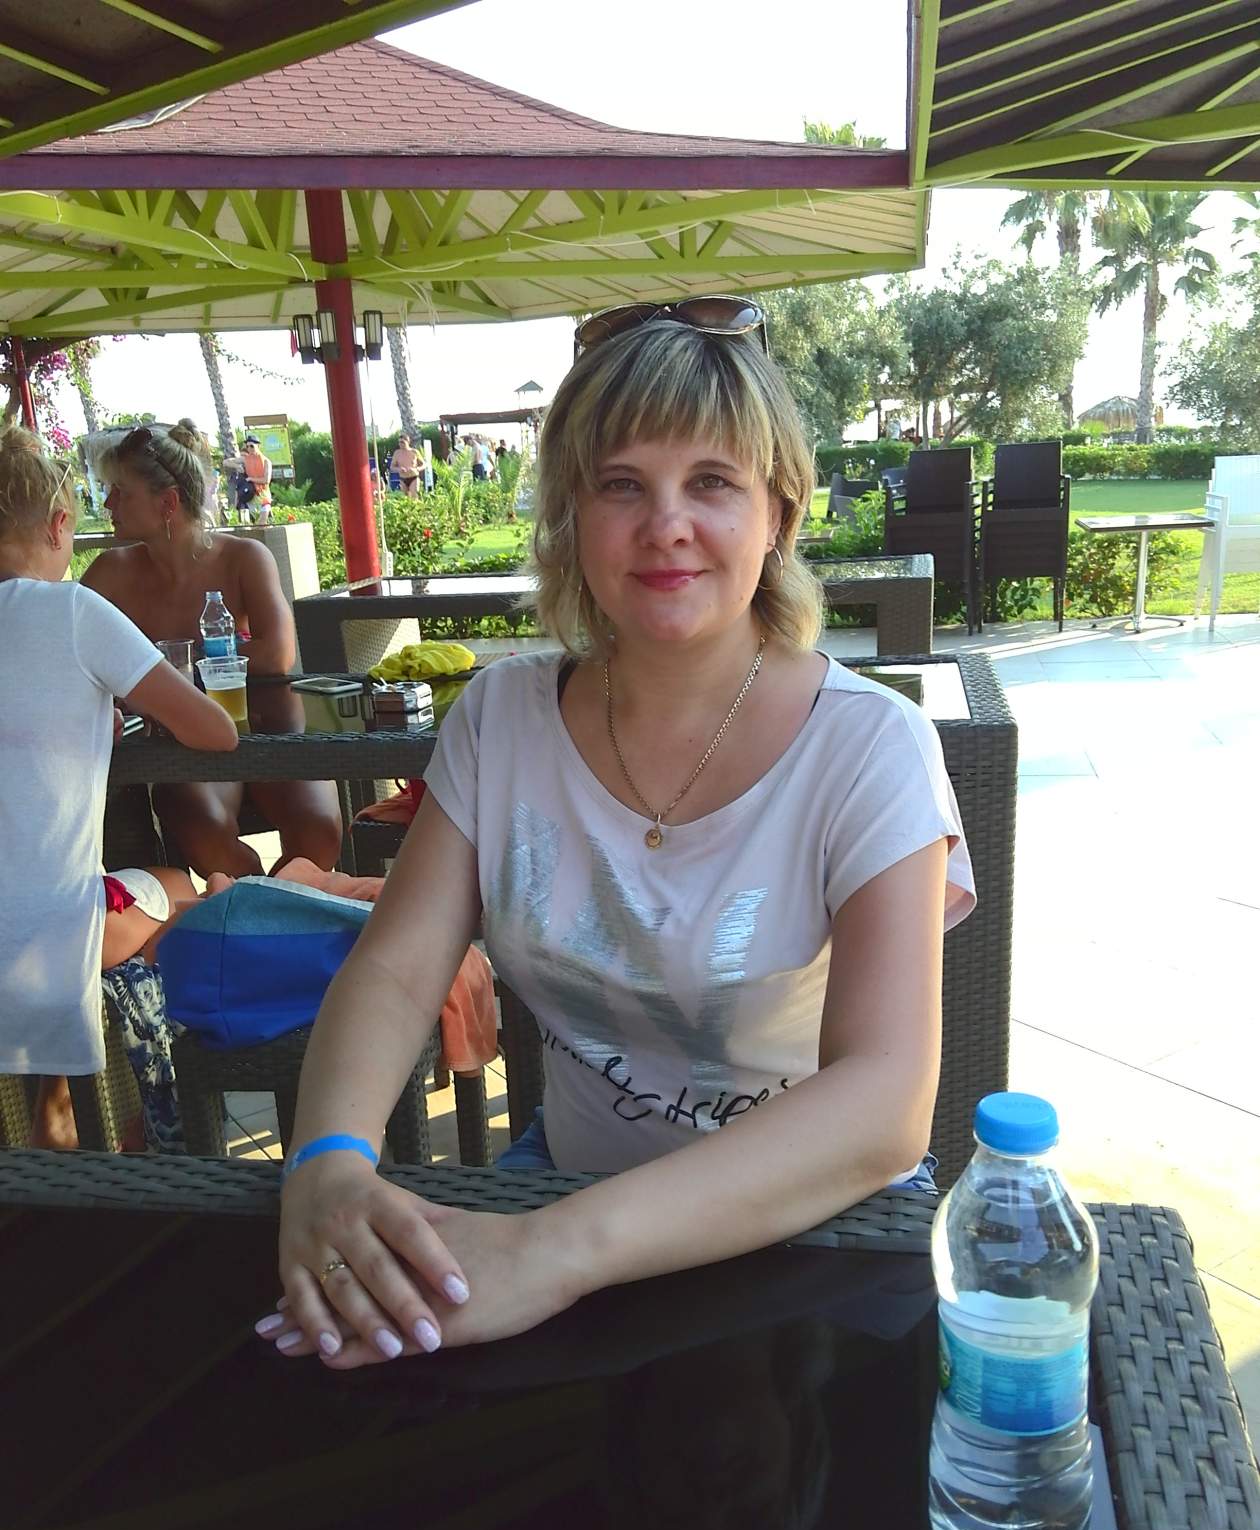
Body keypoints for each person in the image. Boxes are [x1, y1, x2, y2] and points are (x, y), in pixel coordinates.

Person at [256, 296, 974, 1369]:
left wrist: (554, 1253)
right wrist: (325, 1159)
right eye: (621, 484)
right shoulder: (501, 718)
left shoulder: (871, 746)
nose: (665, 524)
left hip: (814, 1225)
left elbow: (883, 1104)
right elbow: (398, 971)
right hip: (564, 1188)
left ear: (779, 513)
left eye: (712, 482)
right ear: (570, 517)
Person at [0, 427, 238, 1147]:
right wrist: (111, 697)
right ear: (58, 525)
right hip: (48, 938)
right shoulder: (74, 612)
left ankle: (55, 1103)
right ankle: (153, 1112)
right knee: (187, 889)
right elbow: (214, 731)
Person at [82, 421, 344, 877]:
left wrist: (163, 673)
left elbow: (278, 653)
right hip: (183, 744)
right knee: (206, 834)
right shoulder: (110, 573)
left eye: (121, 492)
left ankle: (268, 906)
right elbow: (73, 653)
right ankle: (257, 906)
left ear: (167, 503)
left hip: (268, 728)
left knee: (319, 831)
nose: (108, 504)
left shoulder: (243, 558)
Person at [241, 434, 272, 525]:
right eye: (247, 446)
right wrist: (237, 466)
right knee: (250, 524)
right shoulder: (246, 460)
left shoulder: (266, 461)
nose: (249, 448)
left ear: (258, 446)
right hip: (251, 496)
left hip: (263, 495)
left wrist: (251, 479)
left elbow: (266, 480)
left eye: (252, 446)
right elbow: (226, 462)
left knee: (262, 523)